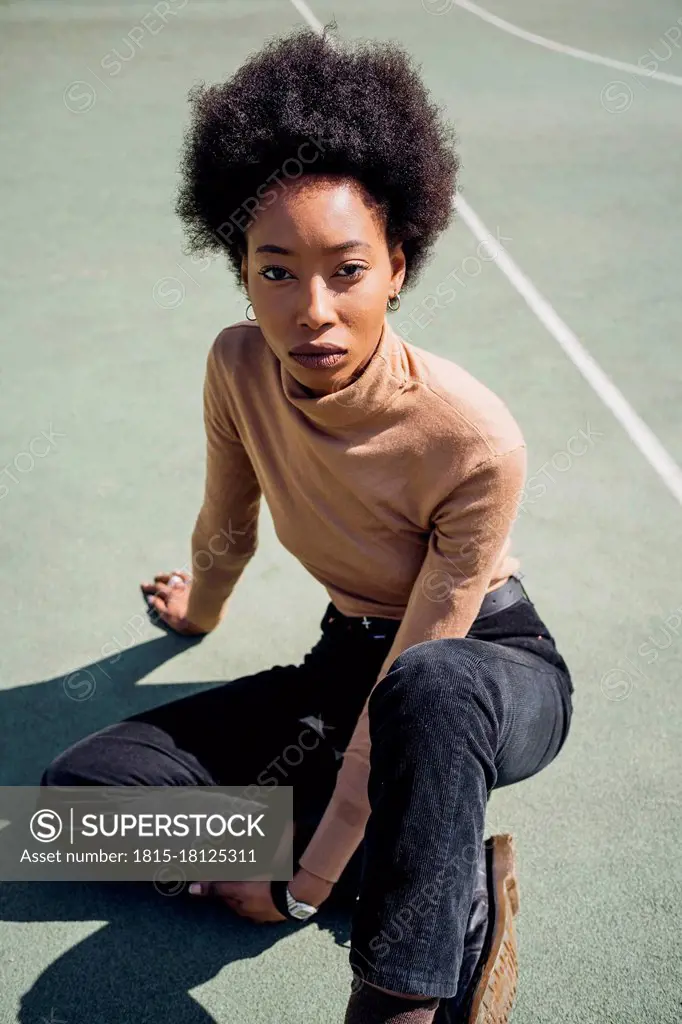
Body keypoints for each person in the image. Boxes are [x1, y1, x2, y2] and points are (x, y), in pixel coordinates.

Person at [42, 25, 574, 1024]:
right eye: (277, 270)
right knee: (77, 800)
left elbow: (421, 666)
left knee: (424, 692)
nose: (312, 310)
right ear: (240, 270)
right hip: (346, 663)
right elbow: (228, 523)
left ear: (398, 268)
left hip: (485, 667)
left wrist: (301, 884)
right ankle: (442, 873)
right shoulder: (237, 366)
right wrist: (197, 608)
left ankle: (404, 989)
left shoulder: (474, 439)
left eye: (347, 270)